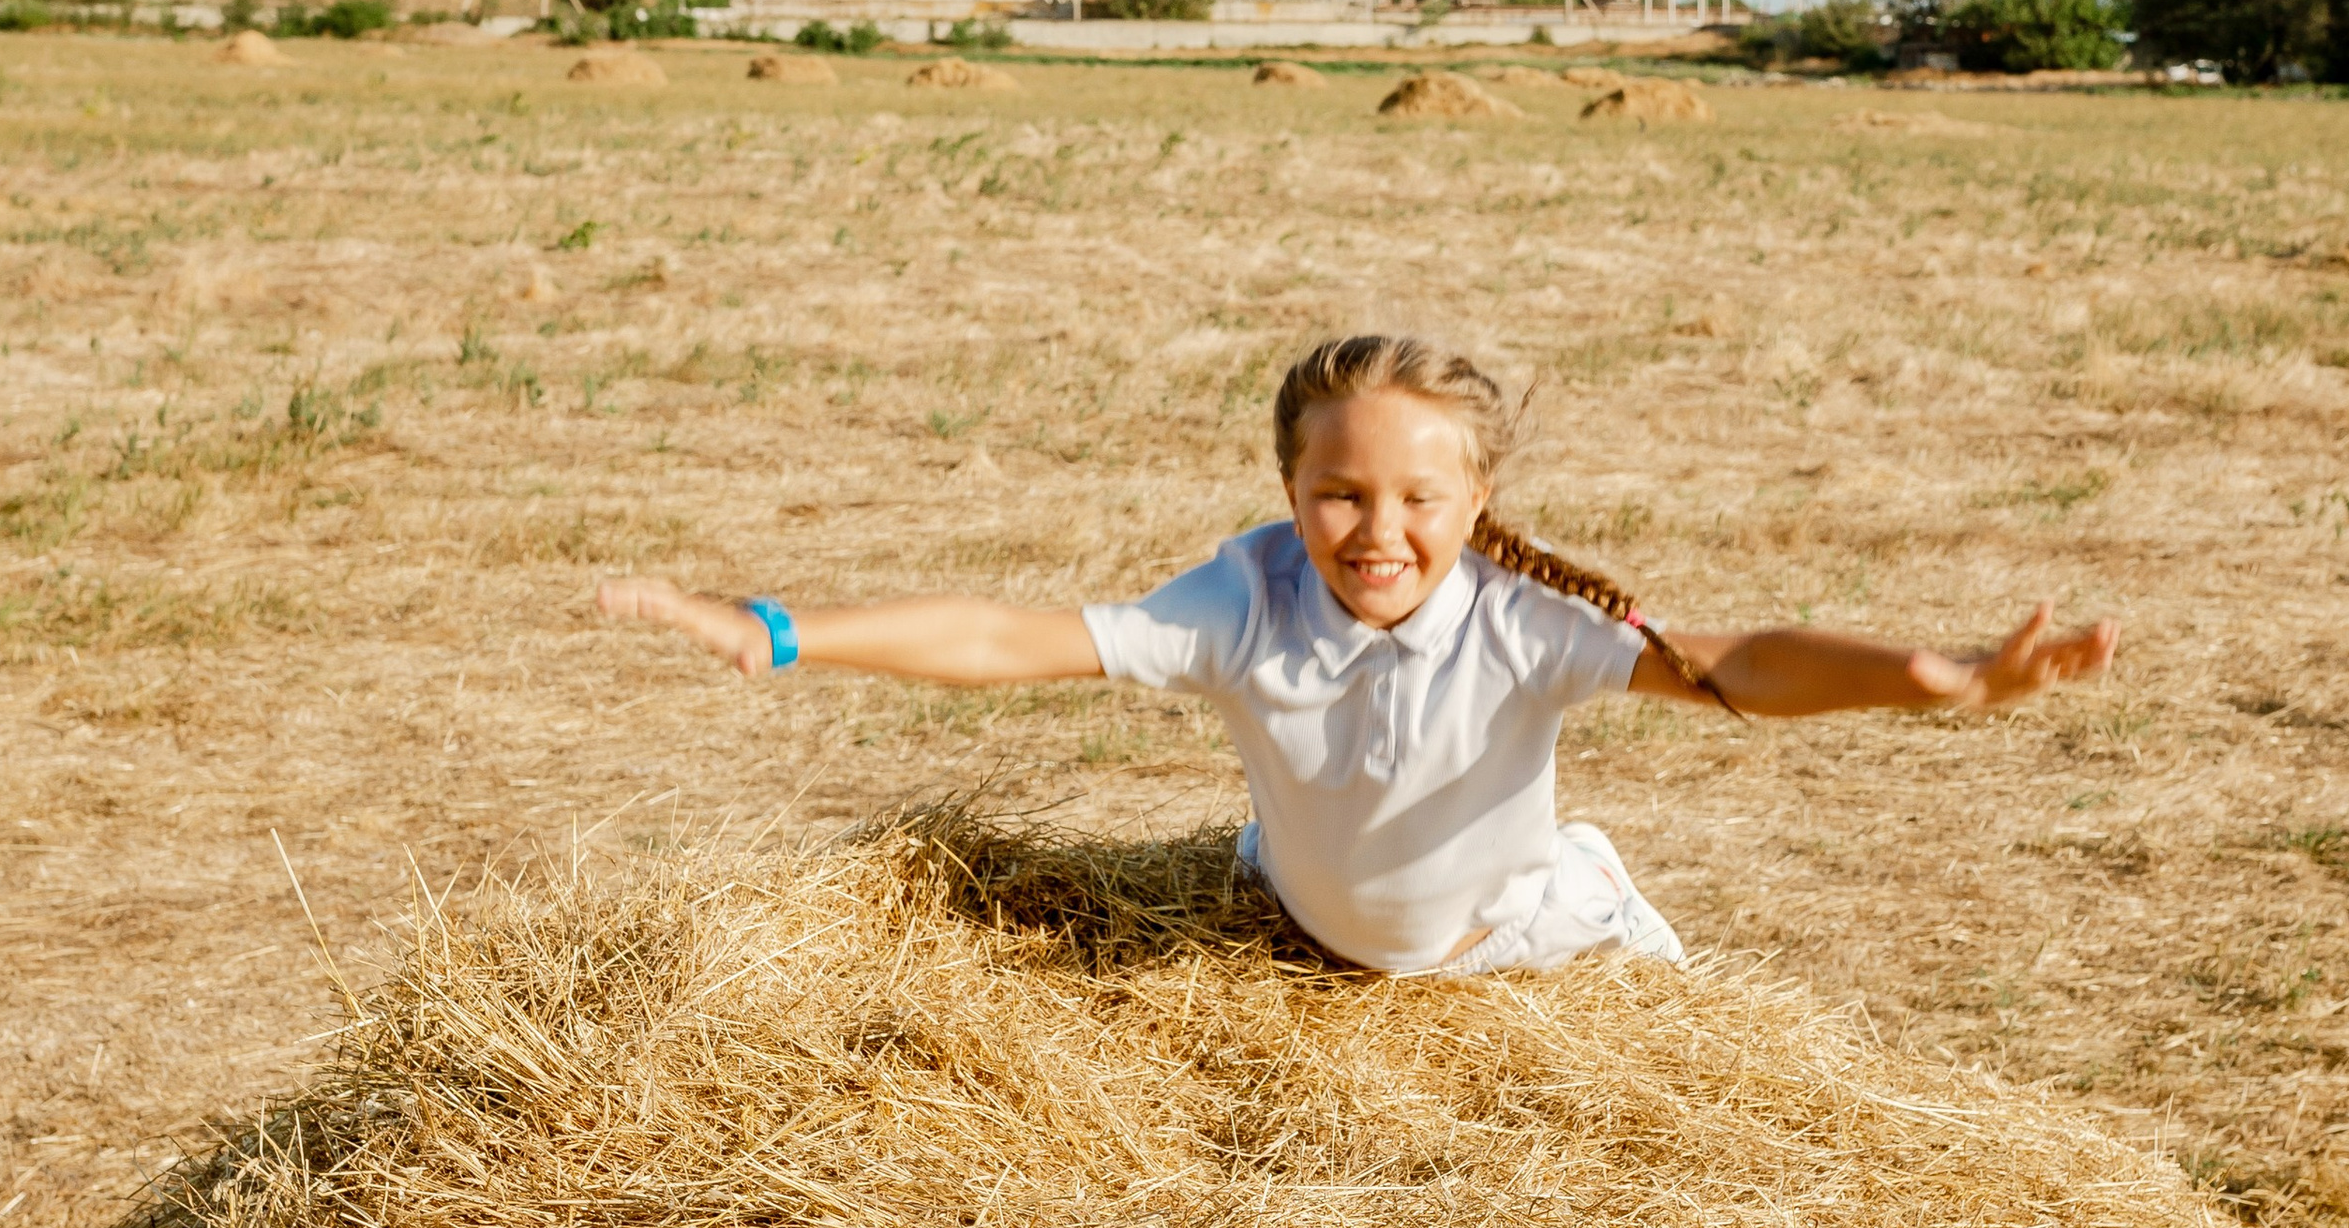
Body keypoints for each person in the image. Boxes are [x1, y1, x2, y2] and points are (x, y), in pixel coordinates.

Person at [597, 330, 2117, 980]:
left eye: (1417, 497)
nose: (1373, 529)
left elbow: (1734, 665)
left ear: (1478, 501)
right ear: (1289, 494)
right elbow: (1015, 633)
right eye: (1339, 493)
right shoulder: (1243, 599)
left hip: (1513, 943)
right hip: (1302, 927)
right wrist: (783, 631)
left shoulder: (1525, 622)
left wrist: (1942, 676)